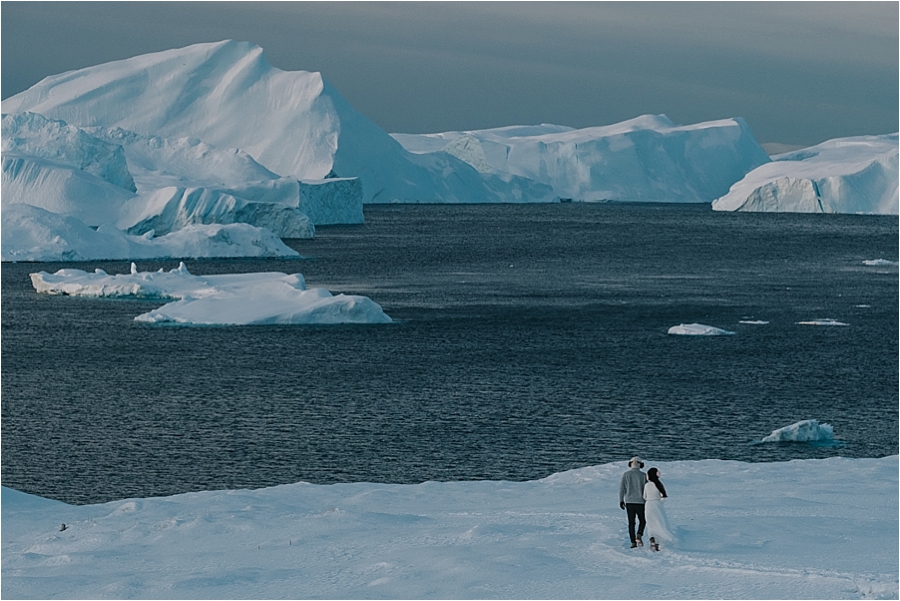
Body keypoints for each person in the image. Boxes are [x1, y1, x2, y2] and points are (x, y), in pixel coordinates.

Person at [643, 467, 677, 549]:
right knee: (659, 522)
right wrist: (659, 503)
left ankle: (652, 539)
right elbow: (663, 497)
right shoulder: (659, 484)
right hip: (657, 505)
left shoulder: (647, 485)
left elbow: (644, 496)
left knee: (651, 524)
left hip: (649, 505)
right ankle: (659, 540)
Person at [619, 456, 646, 548]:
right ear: (640, 465)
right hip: (641, 502)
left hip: (629, 502)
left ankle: (633, 542)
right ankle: (639, 534)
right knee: (643, 520)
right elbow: (646, 489)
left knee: (631, 522)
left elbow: (622, 488)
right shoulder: (643, 475)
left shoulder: (626, 474)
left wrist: (621, 500)